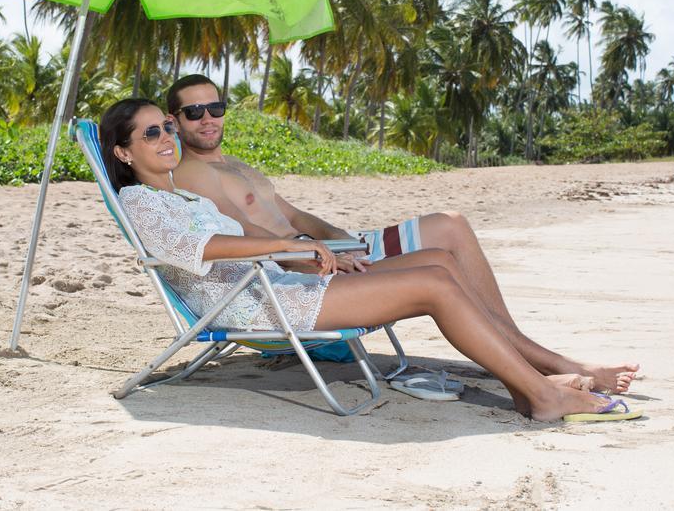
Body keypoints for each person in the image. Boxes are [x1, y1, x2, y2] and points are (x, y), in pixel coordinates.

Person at [99, 97, 640, 422]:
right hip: (257, 306)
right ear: (124, 152)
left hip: (275, 290)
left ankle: (528, 381)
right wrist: (286, 247)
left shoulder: (182, 195)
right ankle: (541, 395)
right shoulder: (141, 200)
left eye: (167, 127)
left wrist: (302, 244)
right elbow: (207, 249)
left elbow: (235, 233)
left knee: (439, 262)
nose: (168, 136)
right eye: (153, 132)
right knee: (434, 285)